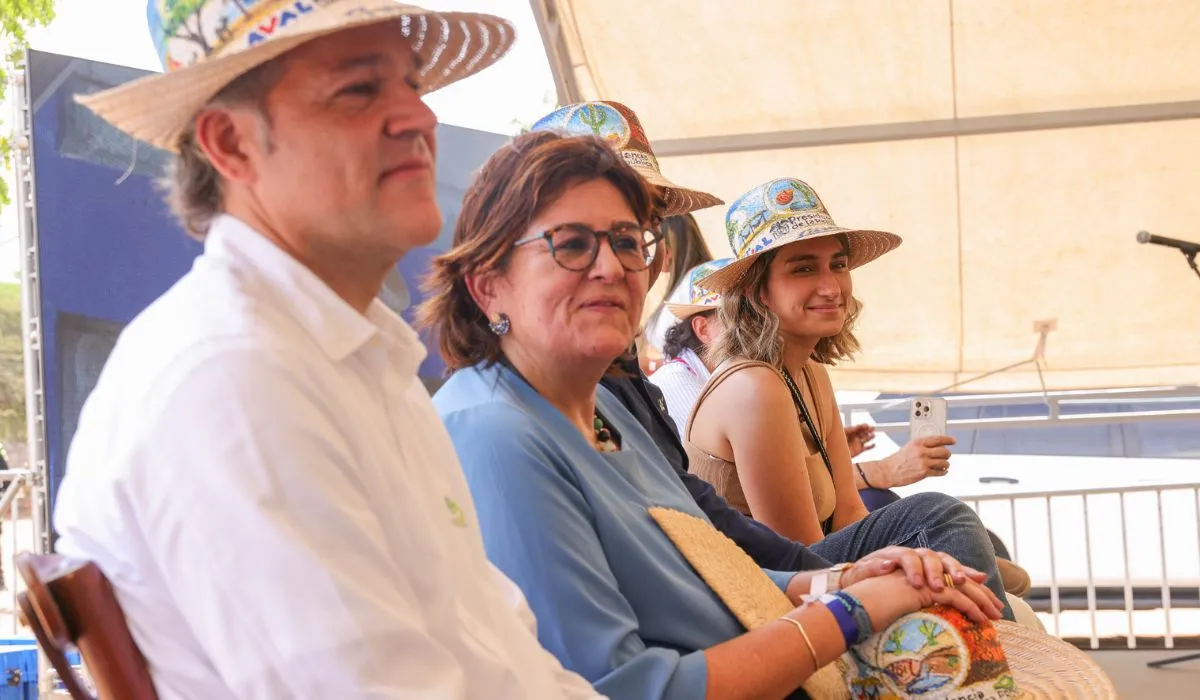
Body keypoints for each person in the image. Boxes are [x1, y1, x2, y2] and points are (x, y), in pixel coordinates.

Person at [52, 3, 603, 698]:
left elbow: (504, 652)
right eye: (359, 89)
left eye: (412, 83)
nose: (419, 118)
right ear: (231, 145)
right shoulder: (235, 378)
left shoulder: (348, 354)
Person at [420, 129, 1004, 700]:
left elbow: (716, 572)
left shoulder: (601, 406)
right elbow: (625, 688)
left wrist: (841, 579)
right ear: (487, 284)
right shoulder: (495, 431)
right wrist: (847, 614)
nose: (612, 267)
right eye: (571, 244)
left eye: (628, 242)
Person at [687, 177, 1015, 617]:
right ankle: (1001, 675)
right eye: (804, 269)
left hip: (815, 565)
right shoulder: (753, 388)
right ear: (757, 291)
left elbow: (847, 511)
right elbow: (800, 553)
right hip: (762, 596)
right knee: (937, 516)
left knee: (955, 535)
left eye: (838, 265)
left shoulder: (811, 376)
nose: (831, 286)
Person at [527, 101, 830, 572]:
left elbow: (686, 509)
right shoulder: (522, 403)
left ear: (660, 250)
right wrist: (829, 595)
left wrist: (827, 584)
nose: (613, 262)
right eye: (574, 239)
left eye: (635, 232)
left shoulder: (614, 377)